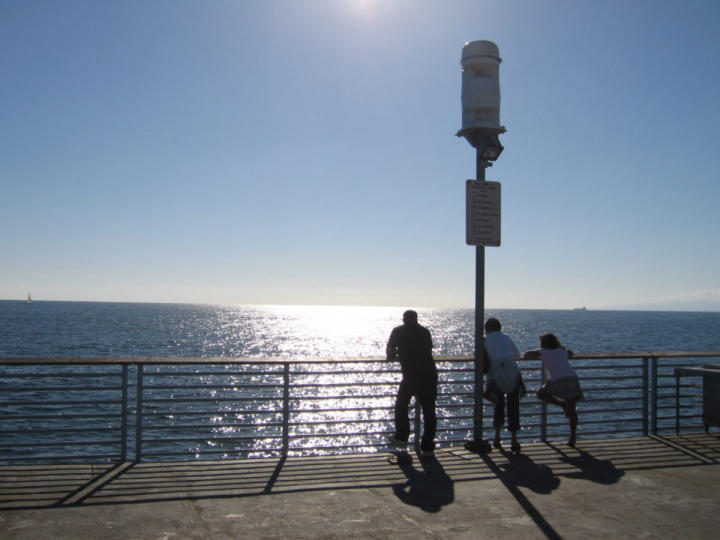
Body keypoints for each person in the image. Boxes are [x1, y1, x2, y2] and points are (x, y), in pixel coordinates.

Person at [386, 310, 438, 456]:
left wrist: (396, 355)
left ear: (404, 319)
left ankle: (402, 437)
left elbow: (390, 351)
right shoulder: (425, 332)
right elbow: (427, 350)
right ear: (416, 319)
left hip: (410, 376)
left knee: (401, 406)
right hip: (429, 374)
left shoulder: (397, 331)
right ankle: (427, 447)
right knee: (429, 412)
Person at [523, 333, 584, 447]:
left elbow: (526, 355)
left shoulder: (543, 352)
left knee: (541, 394)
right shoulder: (561, 350)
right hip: (572, 378)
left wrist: (539, 353)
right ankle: (572, 437)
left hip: (558, 380)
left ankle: (561, 404)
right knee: (572, 410)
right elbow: (570, 353)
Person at [483, 317, 525, 453]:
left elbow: (480, 358)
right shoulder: (506, 338)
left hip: (495, 375)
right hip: (512, 372)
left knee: (498, 405)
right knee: (514, 407)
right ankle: (514, 439)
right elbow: (517, 356)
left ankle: (497, 438)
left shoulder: (484, 340)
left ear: (487, 328)